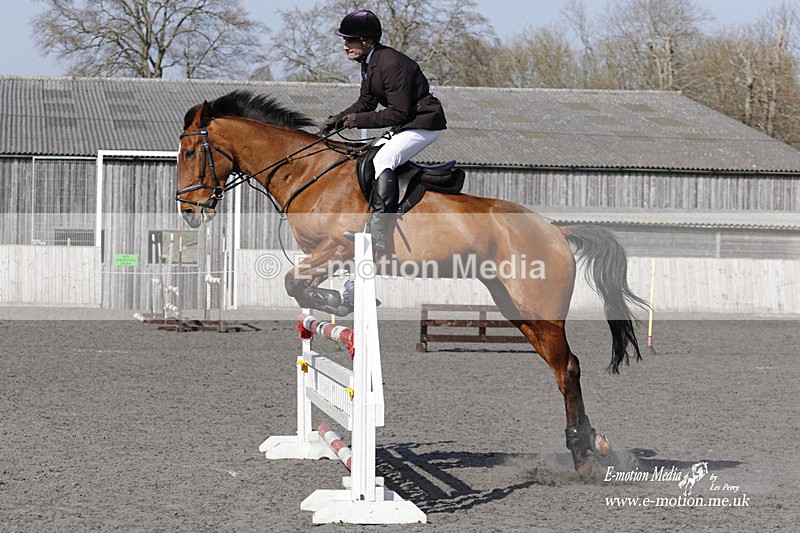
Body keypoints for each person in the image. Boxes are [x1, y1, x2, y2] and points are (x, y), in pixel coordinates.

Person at [322, 9, 447, 254]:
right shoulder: (369, 62)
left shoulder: (391, 63)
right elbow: (366, 102)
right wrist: (338, 119)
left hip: (424, 124)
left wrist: (355, 120)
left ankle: (380, 234)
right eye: (344, 40)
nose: (345, 46)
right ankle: (367, 219)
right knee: (364, 160)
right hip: (407, 123)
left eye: (349, 40)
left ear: (367, 41)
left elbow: (397, 113)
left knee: (384, 159)